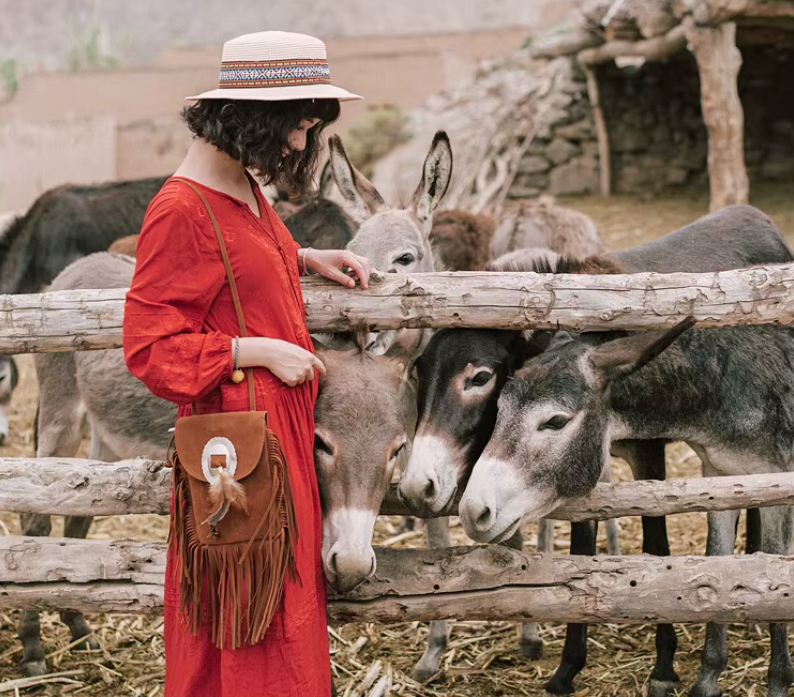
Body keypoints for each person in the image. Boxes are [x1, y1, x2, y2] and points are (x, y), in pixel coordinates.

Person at [123, 31, 369, 697]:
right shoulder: (179, 208)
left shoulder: (241, 188)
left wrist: (307, 259)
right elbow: (147, 348)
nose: (298, 145)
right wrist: (250, 350)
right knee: (250, 611)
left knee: (280, 605)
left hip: (276, 435)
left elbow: (244, 255)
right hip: (239, 445)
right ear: (254, 117)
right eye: (298, 127)